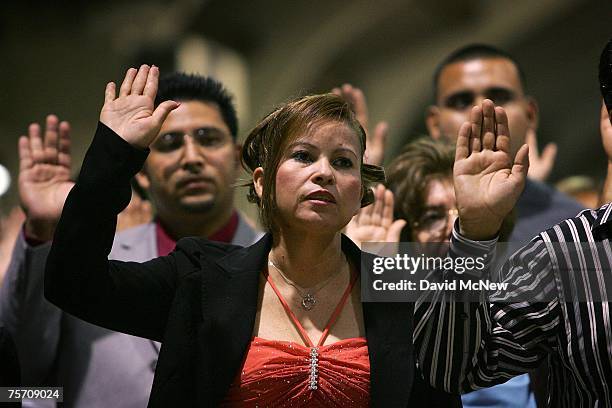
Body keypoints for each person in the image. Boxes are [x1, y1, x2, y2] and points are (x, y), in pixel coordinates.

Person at [43, 65, 527, 406]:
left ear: (361, 191)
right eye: (302, 156)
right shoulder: (202, 277)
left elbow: (463, 366)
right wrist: (114, 158)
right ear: (261, 182)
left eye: (342, 162)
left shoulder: (398, 281)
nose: (324, 174)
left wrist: (479, 227)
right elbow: (72, 284)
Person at [0, 72, 261, 407]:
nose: (192, 158)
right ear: (143, 171)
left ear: (238, 157)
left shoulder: (277, 262)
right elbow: (24, 379)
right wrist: (42, 231)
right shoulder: (91, 257)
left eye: (208, 138)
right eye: (169, 143)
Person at [426, 43, 583, 407]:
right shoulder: (396, 224)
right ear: (434, 123)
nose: (482, 110)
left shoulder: (576, 226)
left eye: (499, 96)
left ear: (530, 113)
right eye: (462, 100)